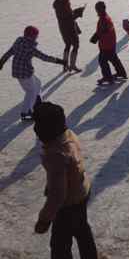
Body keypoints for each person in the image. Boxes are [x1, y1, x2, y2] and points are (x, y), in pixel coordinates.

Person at [32, 101, 98, 259]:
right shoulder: (67, 134)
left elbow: (58, 194)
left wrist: (44, 220)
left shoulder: (56, 155)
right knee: (82, 230)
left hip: (68, 203)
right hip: (82, 190)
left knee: (60, 245)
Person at [0, 26, 64, 121]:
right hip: (25, 73)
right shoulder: (30, 47)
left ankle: (37, 102)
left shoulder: (19, 41)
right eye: (36, 35)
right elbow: (44, 57)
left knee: (37, 83)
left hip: (18, 70)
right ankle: (25, 113)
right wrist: (59, 61)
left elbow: (9, 52)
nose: (37, 37)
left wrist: (1, 62)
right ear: (32, 36)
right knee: (30, 92)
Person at [90, 1, 127, 85]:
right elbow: (103, 30)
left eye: (97, 9)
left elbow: (104, 30)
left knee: (102, 61)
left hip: (106, 44)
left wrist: (95, 37)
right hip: (110, 43)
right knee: (113, 58)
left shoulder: (104, 19)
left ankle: (108, 77)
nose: (96, 11)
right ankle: (121, 73)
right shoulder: (105, 17)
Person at [53, 0, 85, 73]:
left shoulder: (59, 4)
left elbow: (67, 15)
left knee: (67, 45)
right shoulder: (65, 4)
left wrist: (76, 11)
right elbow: (70, 17)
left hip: (63, 28)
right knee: (76, 45)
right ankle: (72, 65)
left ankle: (65, 65)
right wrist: (79, 12)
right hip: (70, 28)